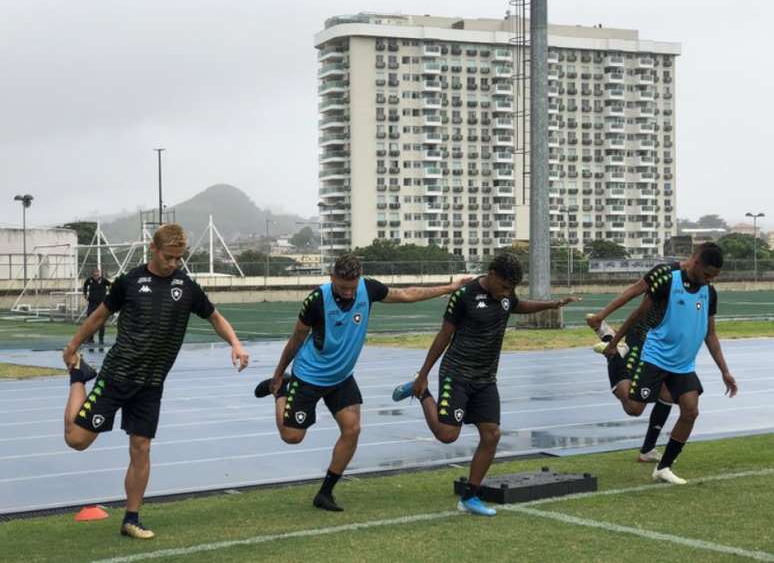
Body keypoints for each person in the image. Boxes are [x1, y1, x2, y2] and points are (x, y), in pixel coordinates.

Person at [62, 223, 249, 539]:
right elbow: (99, 317)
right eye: (169, 257)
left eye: (179, 258)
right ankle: (79, 377)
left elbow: (215, 317)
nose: (174, 264)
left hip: (151, 384)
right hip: (117, 376)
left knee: (141, 447)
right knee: (77, 440)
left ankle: (131, 518)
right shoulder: (129, 282)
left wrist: (235, 342)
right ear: (153, 249)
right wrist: (73, 347)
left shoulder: (186, 287)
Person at [253, 253, 471, 512]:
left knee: (352, 429)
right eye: (342, 287)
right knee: (292, 437)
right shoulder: (316, 300)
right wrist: (279, 375)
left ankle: (325, 492)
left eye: (352, 287)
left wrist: (451, 287)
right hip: (309, 375)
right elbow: (296, 339)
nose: (348, 293)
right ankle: (281, 392)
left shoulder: (367, 289)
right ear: (332, 277)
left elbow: (406, 294)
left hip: (341, 377)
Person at [391, 253, 579, 516]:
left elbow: (518, 305)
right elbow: (444, 335)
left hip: (486, 378)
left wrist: (553, 304)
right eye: (503, 286)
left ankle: (470, 497)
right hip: (456, 374)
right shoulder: (464, 296)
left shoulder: (505, 295)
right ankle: (421, 392)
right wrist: (424, 374)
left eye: (511, 289)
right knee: (448, 435)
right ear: (491, 274)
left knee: (491, 435)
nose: (507, 293)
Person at [603, 243, 737, 484]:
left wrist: (725, 371)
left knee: (691, 411)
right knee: (634, 409)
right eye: (706, 274)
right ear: (695, 262)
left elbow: (711, 334)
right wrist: (616, 342)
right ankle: (615, 360)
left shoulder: (709, 292)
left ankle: (663, 468)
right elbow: (639, 314)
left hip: (683, 365)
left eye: (713, 277)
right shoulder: (668, 281)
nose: (708, 280)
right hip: (655, 357)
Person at [586, 258, 683, 464]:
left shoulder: (702, 286)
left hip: (665, 345)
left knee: (668, 394)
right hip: (641, 337)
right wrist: (601, 315)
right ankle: (612, 345)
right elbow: (633, 292)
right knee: (633, 408)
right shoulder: (665, 272)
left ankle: (647, 450)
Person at [82, 268, 112, 344]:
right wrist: (85, 294)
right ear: (92, 275)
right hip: (92, 304)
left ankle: (101, 339)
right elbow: (85, 286)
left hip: (101, 305)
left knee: (101, 322)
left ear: (99, 274)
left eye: (97, 275)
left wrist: (110, 295)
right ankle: (90, 339)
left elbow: (111, 285)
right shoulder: (89, 280)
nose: (96, 276)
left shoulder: (103, 280)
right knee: (90, 321)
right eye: (95, 275)